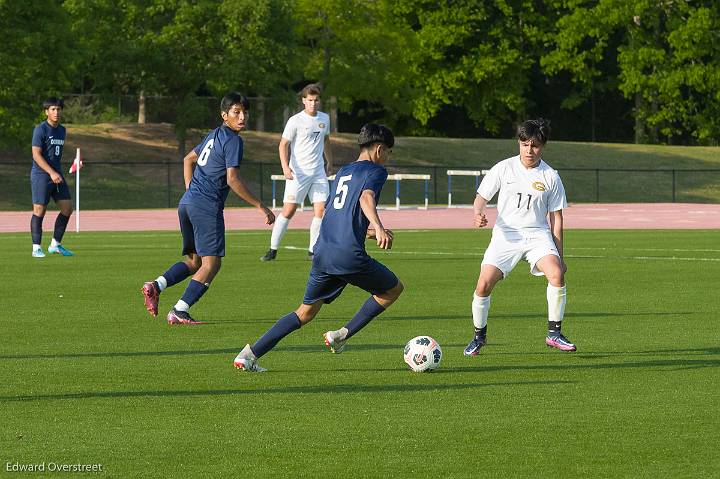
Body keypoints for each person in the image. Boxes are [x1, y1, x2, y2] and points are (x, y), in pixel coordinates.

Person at [235, 123, 403, 372]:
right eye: (388, 151)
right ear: (379, 149)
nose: (387, 156)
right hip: (347, 255)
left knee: (304, 313)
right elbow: (366, 197)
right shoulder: (376, 171)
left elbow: (337, 214)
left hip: (323, 251)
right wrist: (377, 226)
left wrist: (366, 232)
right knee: (392, 290)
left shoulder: (345, 171)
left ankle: (249, 354)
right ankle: (342, 335)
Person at [141, 92, 275, 325]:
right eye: (236, 112)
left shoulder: (214, 135)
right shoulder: (233, 140)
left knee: (195, 262)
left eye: (245, 112)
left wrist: (190, 191)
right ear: (225, 115)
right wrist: (261, 206)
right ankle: (179, 310)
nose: (242, 116)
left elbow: (187, 159)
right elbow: (233, 179)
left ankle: (156, 285)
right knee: (211, 264)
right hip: (205, 205)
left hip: (188, 202)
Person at [464, 118, 576, 355]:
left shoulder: (551, 176)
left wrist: (559, 256)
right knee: (483, 285)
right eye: (524, 144)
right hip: (506, 236)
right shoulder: (503, 168)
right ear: (519, 143)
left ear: (543, 146)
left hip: (537, 235)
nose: (529, 150)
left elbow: (556, 219)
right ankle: (478, 337)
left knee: (556, 273)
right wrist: (477, 214)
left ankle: (554, 334)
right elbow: (481, 198)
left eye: (534, 145)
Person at [260, 83, 334, 262]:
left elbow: (326, 141)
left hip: (318, 173)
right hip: (298, 174)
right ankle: (273, 249)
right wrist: (285, 167)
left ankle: (313, 250)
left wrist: (329, 162)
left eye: (316, 100)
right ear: (303, 101)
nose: (313, 103)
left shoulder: (324, 118)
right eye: (310, 100)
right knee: (289, 210)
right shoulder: (295, 120)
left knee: (321, 211)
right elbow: (283, 145)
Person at [30, 97, 74, 257]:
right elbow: (36, 154)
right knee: (39, 210)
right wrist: (51, 172)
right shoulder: (40, 129)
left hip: (57, 174)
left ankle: (55, 244)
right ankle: (36, 248)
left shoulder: (62, 130)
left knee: (67, 208)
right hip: (41, 175)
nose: (56, 112)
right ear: (46, 112)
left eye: (58, 109)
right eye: (53, 109)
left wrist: (57, 172)